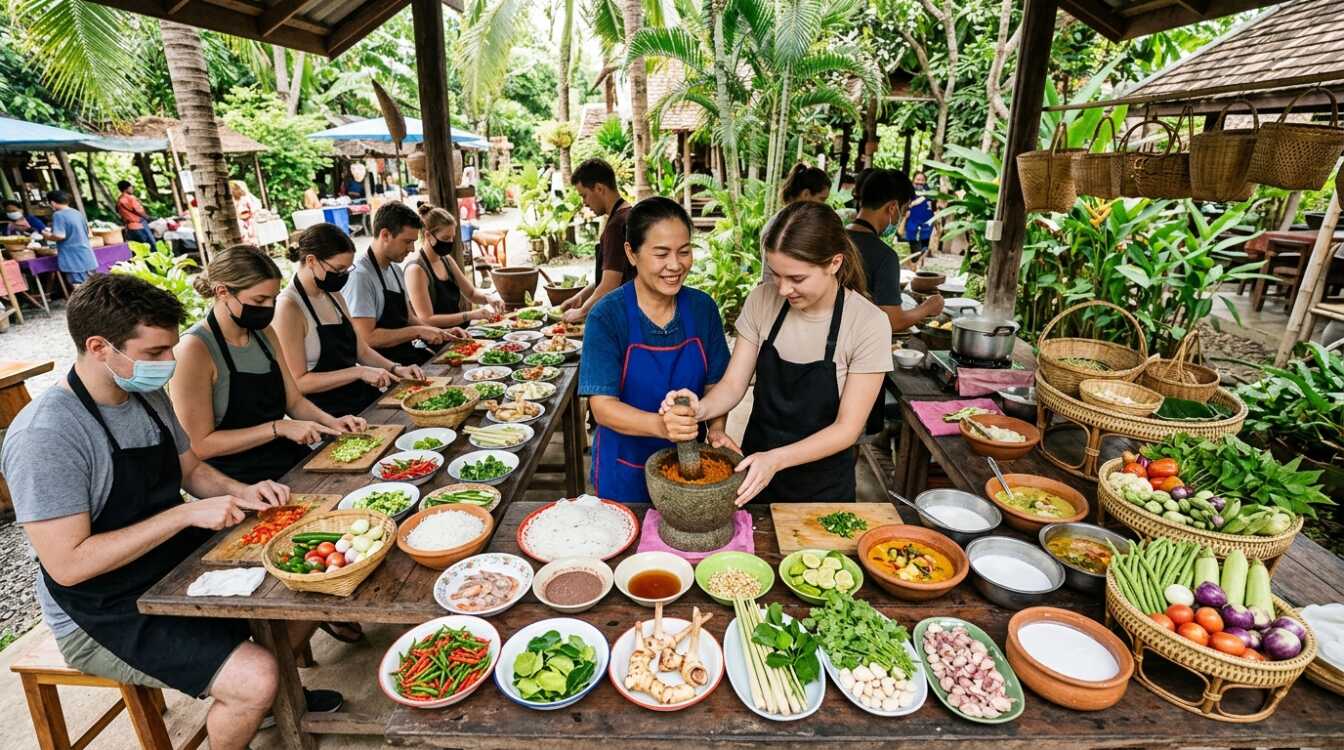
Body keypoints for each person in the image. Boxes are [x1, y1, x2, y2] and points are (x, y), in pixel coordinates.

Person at [0, 273, 315, 750]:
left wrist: (243, 491)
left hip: (168, 565)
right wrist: (184, 516)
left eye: (170, 348)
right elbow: (67, 565)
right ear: (99, 346)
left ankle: (265, 706)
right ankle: (252, 698)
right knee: (256, 676)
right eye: (154, 353)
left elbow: (191, 469)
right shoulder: (46, 435)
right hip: (100, 608)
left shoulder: (144, 394)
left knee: (303, 596)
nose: (170, 362)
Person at [662, 201, 892, 504]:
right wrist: (698, 410)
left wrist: (776, 460)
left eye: (797, 279)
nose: (783, 289)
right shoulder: (762, 300)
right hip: (754, 472)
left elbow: (847, 429)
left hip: (822, 489)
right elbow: (732, 385)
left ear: (834, 263)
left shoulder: (868, 323)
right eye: (776, 275)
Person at [169, 245, 366, 486]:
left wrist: (332, 422)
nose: (268, 308)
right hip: (237, 480)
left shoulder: (264, 333)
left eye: (272, 299)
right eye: (259, 300)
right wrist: (277, 427)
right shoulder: (194, 350)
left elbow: (293, 401)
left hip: (287, 460)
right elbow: (199, 445)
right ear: (222, 292)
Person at [579, 197, 732, 503]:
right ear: (631, 254)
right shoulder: (608, 316)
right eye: (661, 254)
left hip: (689, 471)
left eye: (684, 252)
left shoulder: (703, 309)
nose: (675, 265)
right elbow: (602, 406)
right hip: (624, 472)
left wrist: (715, 428)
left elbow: (717, 385)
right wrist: (661, 426)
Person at [275, 223, 423, 417]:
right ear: (311, 261)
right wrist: (359, 372)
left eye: (346, 270)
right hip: (327, 413)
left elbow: (361, 350)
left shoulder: (333, 294)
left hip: (358, 399)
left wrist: (396, 368)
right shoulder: (289, 306)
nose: (342, 276)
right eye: (338, 269)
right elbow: (299, 382)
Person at [345, 201, 461, 365]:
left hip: (406, 359)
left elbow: (409, 318)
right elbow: (367, 338)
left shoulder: (395, 269)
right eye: (407, 241)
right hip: (381, 372)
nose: (412, 249)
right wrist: (418, 331)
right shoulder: (360, 276)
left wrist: (440, 332)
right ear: (385, 235)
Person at [847, 169, 944, 332]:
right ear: (892, 207)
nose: (902, 215)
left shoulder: (834, 237)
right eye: (904, 209)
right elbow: (893, 322)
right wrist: (928, 307)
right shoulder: (884, 256)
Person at [559, 159, 634, 323]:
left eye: (584, 195)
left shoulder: (617, 225)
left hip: (625, 317)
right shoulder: (630, 214)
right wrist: (581, 297)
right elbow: (614, 274)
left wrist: (581, 313)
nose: (584, 203)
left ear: (599, 188)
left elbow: (610, 285)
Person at [404, 204, 499, 328]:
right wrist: (469, 315)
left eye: (452, 238)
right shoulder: (416, 269)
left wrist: (489, 299)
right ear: (428, 236)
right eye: (445, 238)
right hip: (435, 341)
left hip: (458, 332)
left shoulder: (446, 260)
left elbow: (471, 293)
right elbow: (426, 320)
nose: (450, 242)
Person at [764, 163, 832, 280]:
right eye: (821, 199)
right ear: (805, 194)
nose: (823, 205)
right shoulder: (783, 224)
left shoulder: (792, 220)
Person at [43, 190, 97, 286]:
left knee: (79, 286)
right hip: (87, 255)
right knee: (92, 286)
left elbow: (60, 235)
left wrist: (48, 235)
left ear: (52, 203)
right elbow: (87, 232)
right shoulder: (77, 213)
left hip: (73, 258)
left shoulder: (58, 215)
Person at [903, 172, 935, 255]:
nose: (920, 182)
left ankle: (920, 261)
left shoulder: (930, 193)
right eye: (918, 179)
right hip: (912, 223)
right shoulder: (908, 192)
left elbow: (934, 207)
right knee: (913, 247)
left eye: (922, 180)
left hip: (926, 225)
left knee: (924, 247)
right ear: (913, 180)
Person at [115, 181, 155, 248]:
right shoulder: (130, 198)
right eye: (131, 187)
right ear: (126, 189)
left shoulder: (119, 200)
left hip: (129, 228)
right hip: (139, 225)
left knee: (137, 249)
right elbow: (138, 210)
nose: (132, 189)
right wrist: (148, 217)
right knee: (150, 246)